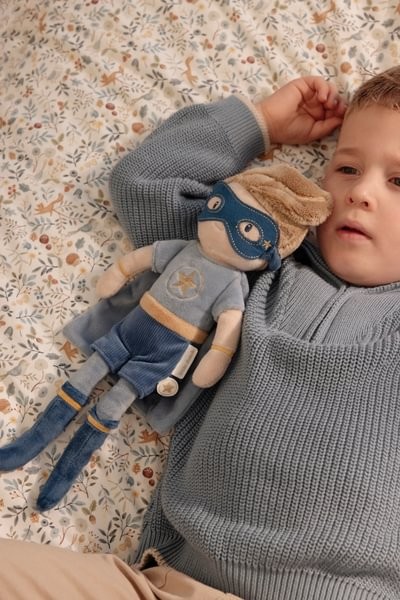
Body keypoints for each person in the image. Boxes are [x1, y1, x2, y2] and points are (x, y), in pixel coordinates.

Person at [2, 66, 400, 599]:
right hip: (173, 586)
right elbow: (146, 184)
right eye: (346, 167)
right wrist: (261, 123)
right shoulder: (249, 269)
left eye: (399, 181)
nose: (361, 193)